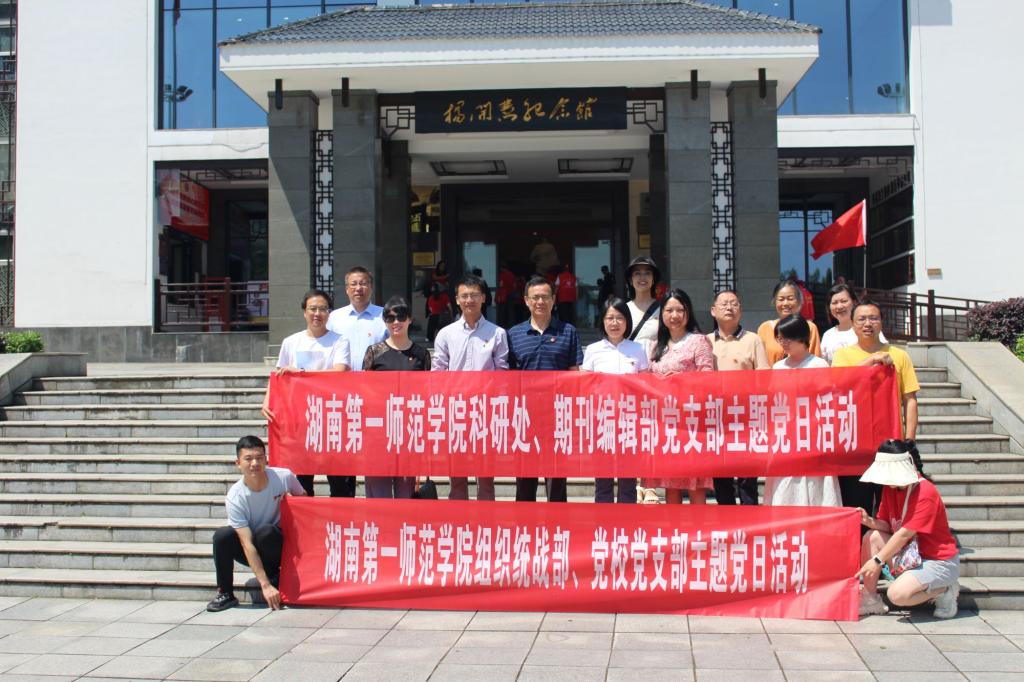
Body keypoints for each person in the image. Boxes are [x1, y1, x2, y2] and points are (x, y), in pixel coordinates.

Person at [833, 300, 921, 515]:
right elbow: (840, 383)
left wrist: (909, 440)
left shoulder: (899, 355)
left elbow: (910, 399)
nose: (867, 324)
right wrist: (872, 360)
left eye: (873, 318)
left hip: (890, 445)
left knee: (891, 506)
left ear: (881, 322)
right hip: (854, 444)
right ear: (852, 324)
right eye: (861, 319)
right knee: (856, 506)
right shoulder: (842, 355)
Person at [856, 440, 960, 619]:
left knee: (897, 595)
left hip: (937, 561)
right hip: (910, 555)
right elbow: (888, 525)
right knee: (871, 537)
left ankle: (944, 589)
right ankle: (870, 598)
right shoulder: (890, 488)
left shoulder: (925, 492)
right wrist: (868, 521)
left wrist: (877, 561)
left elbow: (904, 534)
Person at [262, 289, 350, 498]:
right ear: (304, 312)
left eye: (323, 309)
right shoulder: (291, 342)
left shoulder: (339, 341)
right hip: (300, 420)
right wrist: (267, 401)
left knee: (340, 482)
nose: (317, 313)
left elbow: (339, 372)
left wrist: (301, 372)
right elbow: (278, 375)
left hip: (331, 418)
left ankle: (340, 517)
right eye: (313, 309)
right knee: (301, 482)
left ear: (329, 313)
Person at [432, 274, 509, 501]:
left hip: (485, 410)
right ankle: (458, 516)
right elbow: (438, 372)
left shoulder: (497, 333)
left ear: (483, 297)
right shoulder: (446, 334)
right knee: (457, 472)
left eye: (474, 295)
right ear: (457, 299)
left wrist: (499, 407)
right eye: (464, 295)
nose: (469, 300)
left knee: (485, 474)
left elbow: (502, 373)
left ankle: (486, 516)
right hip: (455, 410)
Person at [207, 435, 305, 613]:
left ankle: (276, 575)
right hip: (250, 546)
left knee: (266, 532)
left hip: (276, 542)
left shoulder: (284, 477)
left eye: (259, 458)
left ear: (266, 459)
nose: (255, 463)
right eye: (248, 459)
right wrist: (265, 585)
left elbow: (304, 501)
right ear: (238, 463)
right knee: (222, 536)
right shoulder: (235, 496)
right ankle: (225, 593)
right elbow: (246, 543)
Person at [508, 275, 584, 502]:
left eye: (545, 297)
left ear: (553, 300)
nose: (540, 302)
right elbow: (509, 378)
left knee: (556, 481)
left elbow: (574, 373)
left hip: (557, 417)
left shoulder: (568, 331)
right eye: (535, 297)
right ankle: (525, 523)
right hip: (525, 417)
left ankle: (557, 524)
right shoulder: (513, 334)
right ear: (526, 301)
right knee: (525, 481)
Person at [638, 288, 714, 505]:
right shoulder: (657, 346)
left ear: (688, 312)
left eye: (680, 310)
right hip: (667, 424)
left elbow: (708, 377)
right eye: (669, 310)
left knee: (694, 484)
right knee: (670, 484)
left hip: (691, 423)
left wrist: (681, 380)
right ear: (662, 314)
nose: (674, 315)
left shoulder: (698, 341)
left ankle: (699, 528)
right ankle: (675, 528)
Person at [763, 315, 842, 507]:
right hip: (785, 437)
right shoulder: (778, 367)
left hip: (812, 435)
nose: (783, 343)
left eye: (788, 338)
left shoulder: (818, 365)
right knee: (784, 486)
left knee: (813, 485)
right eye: (780, 338)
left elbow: (828, 402)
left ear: (802, 337)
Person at [326, 266, 388, 498]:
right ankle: (345, 503)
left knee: (375, 449)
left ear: (371, 286)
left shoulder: (384, 316)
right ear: (346, 288)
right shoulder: (334, 318)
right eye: (353, 284)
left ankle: (377, 502)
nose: (358, 288)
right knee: (344, 452)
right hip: (342, 395)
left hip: (376, 396)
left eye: (363, 283)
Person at [581, 298, 649, 504]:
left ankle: (627, 520)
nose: (614, 323)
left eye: (619, 318)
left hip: (630, 421)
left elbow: (645, 385)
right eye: (609, 318)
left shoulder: (637, 349)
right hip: (602, 421)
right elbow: (585, 387)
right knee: (603, 478)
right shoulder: (593, 350)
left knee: (628, 479)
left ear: (627, 321)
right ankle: (604, 519)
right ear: (602, 321)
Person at [362, 297, 430, 499]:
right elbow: (364, 390)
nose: (396, 322)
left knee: (406, 495)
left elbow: (427, 394)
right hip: (378, 432)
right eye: (390, 318)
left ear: (409, 319)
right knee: (378, 496)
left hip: (408, 431)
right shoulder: (374, 352)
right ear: (384, 321)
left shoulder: (421, 354)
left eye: (401, 316)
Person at [707, 289, 769, 506]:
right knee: (721, 476)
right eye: (723, 304)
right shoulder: (705, 341)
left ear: (741, 311)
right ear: (713, 311)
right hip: (717, 418)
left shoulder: (753, 340)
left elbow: (764, 377)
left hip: (746, 417)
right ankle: (726, 519)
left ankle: (750, 520)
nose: (729, 308)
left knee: (747, 478)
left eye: (734, 304)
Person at [757, 280, 822, 365]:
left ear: (799, 301)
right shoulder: (765, 328)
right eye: (781, 299)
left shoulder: (809, 327)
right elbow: (760, 363)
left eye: (790, 299)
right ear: (775, 302)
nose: (785, 303)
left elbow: (815, 361)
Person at [821, 283, 888, 364]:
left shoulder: (867, 330)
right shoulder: (828, 335)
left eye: (844, 301)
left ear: (854, 302)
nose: (839, 306)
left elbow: (884, 355)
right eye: (834, 303)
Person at [624, 256, 661, 353]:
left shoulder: (664, 309)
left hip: (656, 361)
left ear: (653, 279)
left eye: (647, 273)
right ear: (630, 280)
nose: (642, 277)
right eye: (637, 273)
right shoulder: (623, 310)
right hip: (629, 361)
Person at [496, 261, 517, 329]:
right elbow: (514, 285)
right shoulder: (511, 274)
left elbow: (501, 284)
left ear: (502, 268)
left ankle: (502, 324)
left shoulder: (502, 275)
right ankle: (511, 324)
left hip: (503, 295)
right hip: (510, 294)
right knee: (511, 311)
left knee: (502, 311)